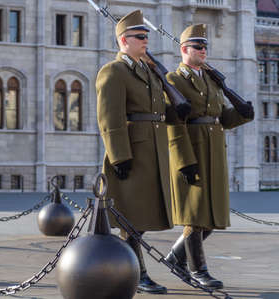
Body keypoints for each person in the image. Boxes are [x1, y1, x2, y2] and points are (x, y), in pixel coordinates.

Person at [164, 24, 254, 289]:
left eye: (205, 47)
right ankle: (198, 270)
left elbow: (221, 118)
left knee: (212, 215)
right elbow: (174, 125)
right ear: (184, 50)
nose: (204, 51)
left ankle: (174, 257)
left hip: (214, 151)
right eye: (198, 47)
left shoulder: (210, 80)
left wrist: (242, 113)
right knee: (195, 215)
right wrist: (184, 161)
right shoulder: (173, 80)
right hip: (192, 151)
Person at [95, 10, 172, 294]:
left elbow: (158, 110)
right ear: (124, 40)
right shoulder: (113, 71)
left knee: (143, 216)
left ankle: (129, 269)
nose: (146, 41)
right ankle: (136, 274)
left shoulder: (147, 72)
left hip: (153, 152)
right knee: (132, 219)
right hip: (132, 154)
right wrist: (119, 156)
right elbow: (109, 117)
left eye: (147, 36)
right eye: (140, 37)